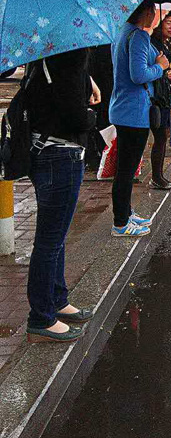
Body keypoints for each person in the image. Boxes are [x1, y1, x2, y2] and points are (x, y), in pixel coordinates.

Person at [25, 48, 97, 343]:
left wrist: (87, 81)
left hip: (44, 151)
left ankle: (57, 299)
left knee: (57, 235)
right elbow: (75, 117)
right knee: (49, 241)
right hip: (60, 155)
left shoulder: (43, 53)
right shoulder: (70, 56)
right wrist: (91, 114)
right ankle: (41, 317)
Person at [110, 0, 169, 235]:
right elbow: (138, 75)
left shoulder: (122, 33)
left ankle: (126, 213)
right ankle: (121, 223)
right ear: (146, 12)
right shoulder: (139, 37)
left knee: (126, 169)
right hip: (134, 112)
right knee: (126, 170)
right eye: (154, 11)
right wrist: (160, 68)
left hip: (122, 108)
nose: (155, 16)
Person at [150, 12, 171, 186]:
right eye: (168, 23)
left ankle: (159, 176)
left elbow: (170, 68)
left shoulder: (166, 44)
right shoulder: (153, 44)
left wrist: (170, 71)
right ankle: (157, 177)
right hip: (157, 97)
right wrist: (164, 68)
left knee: (163, 135)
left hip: (164, 95)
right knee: (161, 136)